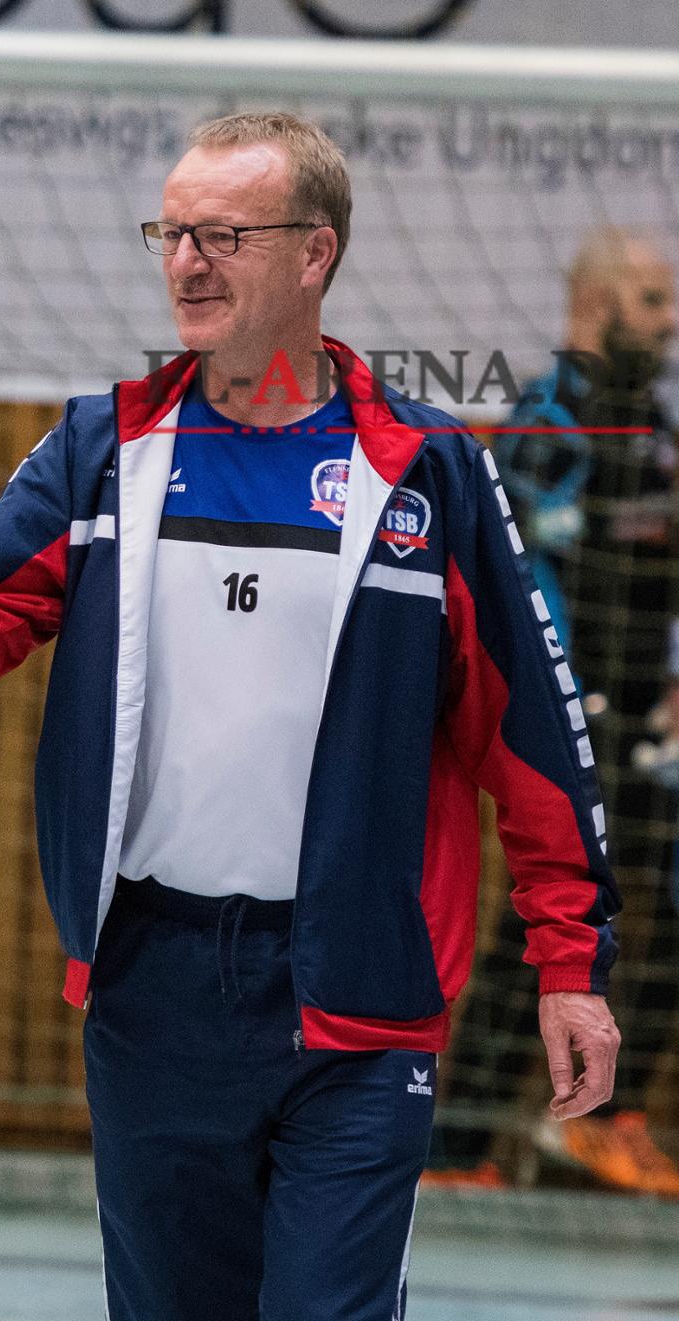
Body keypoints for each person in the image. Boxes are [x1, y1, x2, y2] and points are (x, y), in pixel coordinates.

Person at [0, 112, 621, 1320]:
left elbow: (529, 738)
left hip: (359, 987)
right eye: (170, 233)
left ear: (314, 252)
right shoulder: (103, 447)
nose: (186, 263)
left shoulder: (425, 469)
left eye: (222, 235)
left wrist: (570, 965)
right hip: (152, 982)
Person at [430, 227, 679, 1194]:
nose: (669, 322)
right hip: (575, 724)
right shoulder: (549, 424)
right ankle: (460, 1144)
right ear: (597, 305)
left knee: (660, 912)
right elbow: (511, 581)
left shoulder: (655, 431)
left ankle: (603, 1118)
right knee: (545, 924)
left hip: (650, 725)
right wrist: (559, 705)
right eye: (652, 302)